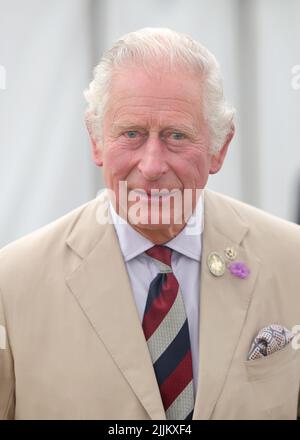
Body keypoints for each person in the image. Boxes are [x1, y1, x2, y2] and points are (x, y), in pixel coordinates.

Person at [0, 27, 300, 420]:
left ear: (219, 147)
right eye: (132, 134)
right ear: (96, 141)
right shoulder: (12, 283)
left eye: (176, 135)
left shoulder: (291, 261)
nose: (153, 165)